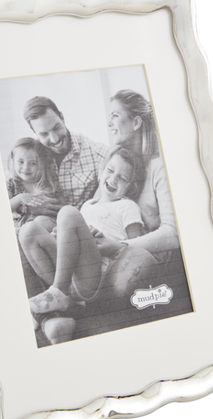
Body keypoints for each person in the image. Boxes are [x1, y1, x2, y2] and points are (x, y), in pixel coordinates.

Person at [20, 147, 158, 344]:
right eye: (110, 170)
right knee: (30, 229)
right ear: (101, 170)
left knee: (68, 213)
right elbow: (72, 237)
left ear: (131, 187)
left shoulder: (127, 206)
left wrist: (113, 244)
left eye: (122, 178)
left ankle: (58, 291)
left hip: (95, 273)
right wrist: (60, 234)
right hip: (71, 272)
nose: (113, 179)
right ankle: (61, 299)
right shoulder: (87, 205)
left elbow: (135, 246)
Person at [94, 89, 180, 261]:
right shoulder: (115, 163)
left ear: (136, 123)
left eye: (115, 116)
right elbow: (96, 209)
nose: (109, 123)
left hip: (145, 259)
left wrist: (120, 246)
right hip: (110, 255)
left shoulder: (159, 168)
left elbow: (172, 233)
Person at [23, 96, 109, 213]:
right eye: (44, 134)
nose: (54, 139)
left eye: (56, 128)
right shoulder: (27, 156)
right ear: (34, 132)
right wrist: (27, 207)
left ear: (62, 118)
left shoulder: (97, 153)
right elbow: (10, 190)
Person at [6, 137, 60, 232]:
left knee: (41, 221)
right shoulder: (11, 183)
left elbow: (59, 206)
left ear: (42, 164)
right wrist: (20, 198)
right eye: (20, 162)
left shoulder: (48, 183)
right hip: (21, 227)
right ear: (13, 161)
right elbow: (3, 208)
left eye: (32, 163)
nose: (26, 168)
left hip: (45, 225)